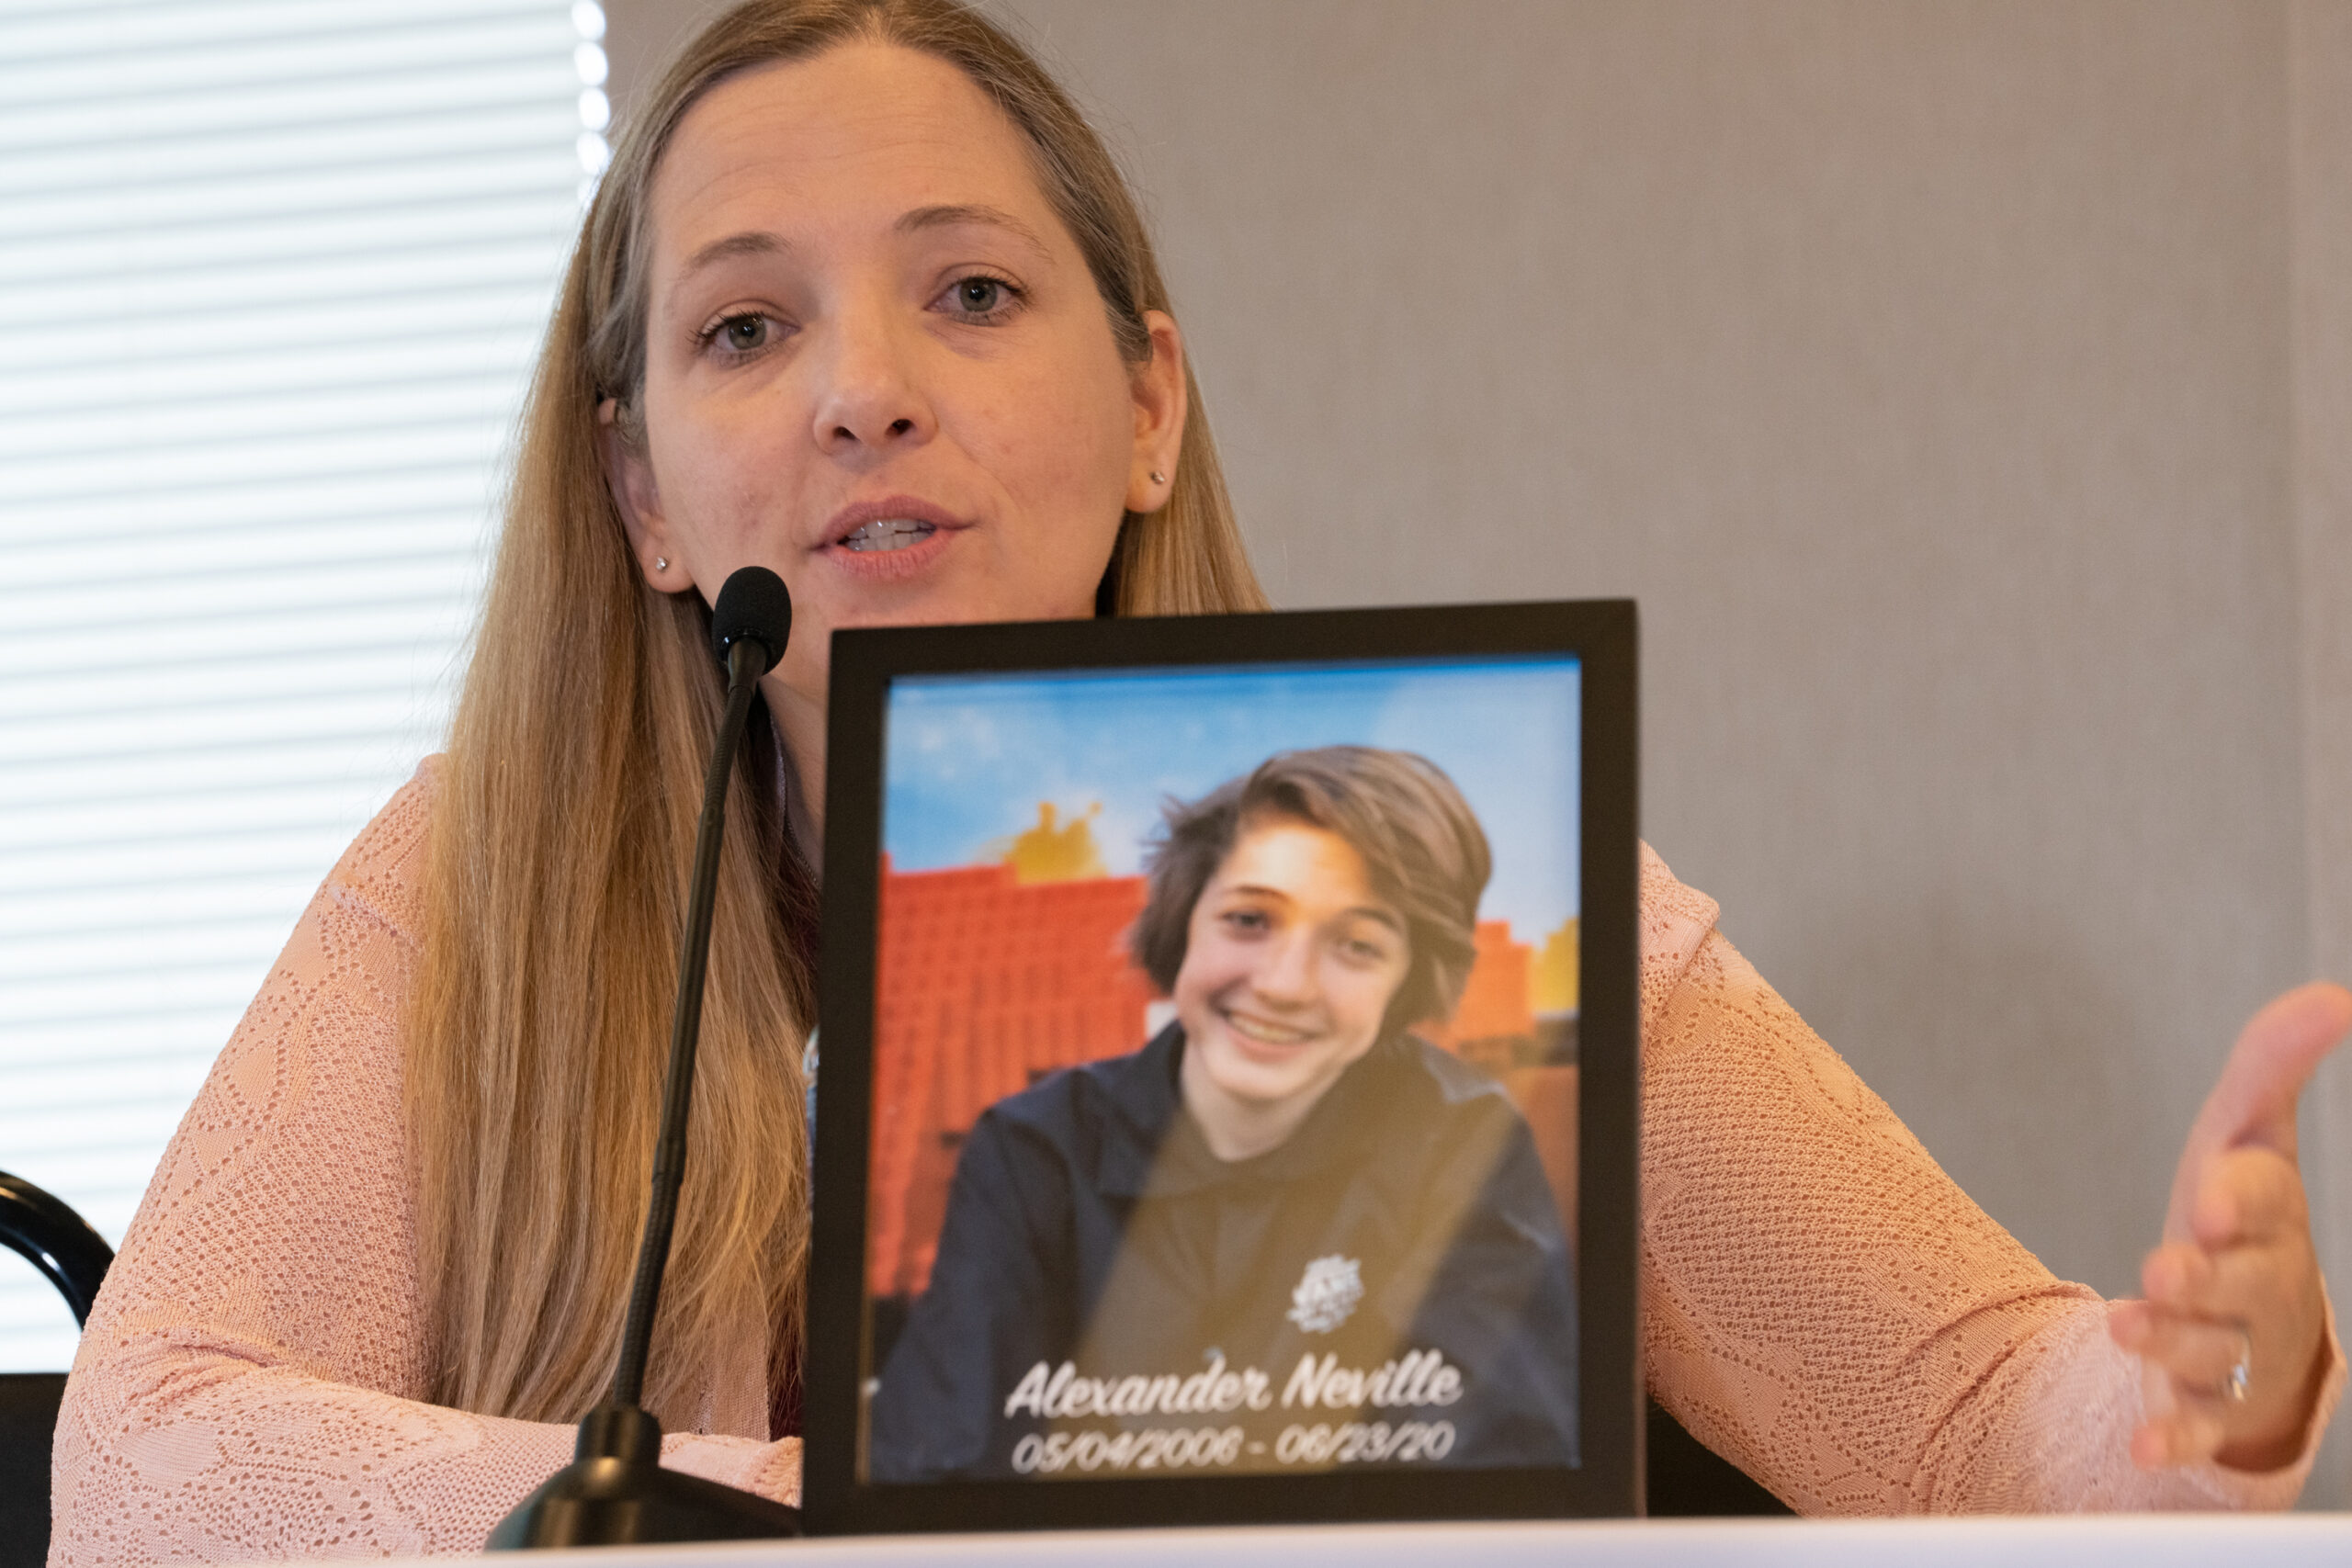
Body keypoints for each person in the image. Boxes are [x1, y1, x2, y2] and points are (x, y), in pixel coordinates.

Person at [45, 0, 2351, 1556]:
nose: (859, 389)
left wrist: (2187, 1390)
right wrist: (784, 1507)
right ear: (645, 496)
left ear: (1146, 403)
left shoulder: (1471, 874)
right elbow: (139, 1452)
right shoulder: (479, 880)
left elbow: (1960, 1422)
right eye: (745, 324)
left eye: (966, 292)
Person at [868, 748, 1578, 1480]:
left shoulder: (1464, 1142)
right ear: (1185, 924)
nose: (1283, 984)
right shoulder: (1031, 1150)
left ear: (1403, 987)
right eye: (1249, 918)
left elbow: (1500, 1471)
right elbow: (943, 1475)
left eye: (1357, 944)